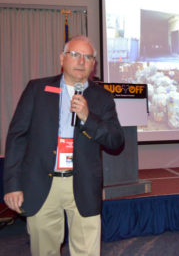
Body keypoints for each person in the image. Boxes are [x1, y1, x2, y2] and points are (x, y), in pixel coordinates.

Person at [3, 35, 124, 256]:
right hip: (41, 183)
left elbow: (116, 141)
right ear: (62, 58)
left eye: (88, 57)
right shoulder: (37, 89)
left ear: (93, 64)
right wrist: (12, 184)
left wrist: (88, 117)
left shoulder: (102, 98)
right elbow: (17, 137)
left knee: (87, 252)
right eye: (75, 55)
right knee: (43, 251)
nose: (81, 61)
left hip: (84, 183)